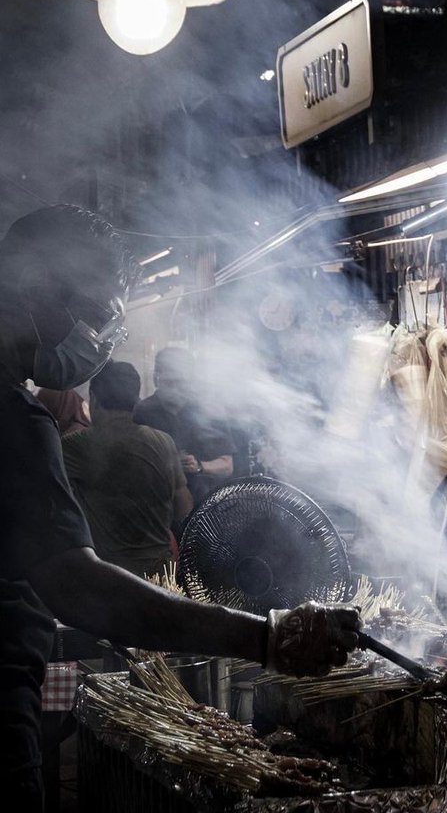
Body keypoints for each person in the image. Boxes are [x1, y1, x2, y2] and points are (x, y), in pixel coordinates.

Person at [0, 204, 361, 810]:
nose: (100, 335)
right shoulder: (14, 418)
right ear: (42, 290)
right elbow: (78, 586)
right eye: (95, 311)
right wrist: (267, 637)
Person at [61, 360, 193, 579]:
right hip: (162, 576)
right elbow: (183, 506)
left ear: (93, 399)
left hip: (111, 579)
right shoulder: (164, 442)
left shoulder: (78, 444)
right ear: (135, 402)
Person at [134, 345, 235, 507]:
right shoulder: (142, 413)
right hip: (156, 506)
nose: (175, 390)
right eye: (169, 383)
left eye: (181, 383)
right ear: (156, 378)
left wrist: (199, 466)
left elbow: (227, 465)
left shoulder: (209, 411)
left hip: (203, 507)